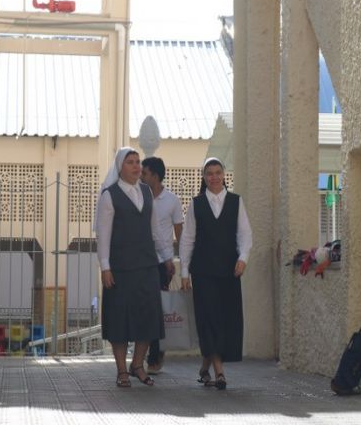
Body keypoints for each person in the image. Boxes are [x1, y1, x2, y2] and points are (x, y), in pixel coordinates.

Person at [95, 147, 170, 387]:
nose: (137, 166)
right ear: (120, 167)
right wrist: (105, 267)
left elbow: (155, 229)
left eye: (138, 162)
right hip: (120, 268)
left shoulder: (146, 192)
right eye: (130, 162)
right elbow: (103, 235)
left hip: (147, 265)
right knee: (120, 319)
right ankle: (121, 370)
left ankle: (137, 365)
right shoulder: (109, 196)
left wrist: (167, 257)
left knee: (148, 317)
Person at [179, 157, 252, 390]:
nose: (214, 177)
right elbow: (187, 239)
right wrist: (184, 271)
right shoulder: (197, 204)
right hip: (203, 271)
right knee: (209, 318)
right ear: (204, 177)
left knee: (226, 319)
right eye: (209, 173)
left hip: (229, 271)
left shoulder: (236, 202)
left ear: (224, 174)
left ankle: (205, 366)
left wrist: (243, 258)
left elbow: (245, 234)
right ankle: (219, 372)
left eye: (217, 172)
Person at [140, 157, 183, 375]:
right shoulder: (138, 197)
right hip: (140, 261)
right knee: (143, 309)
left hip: (162, 264)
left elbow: (180, 233)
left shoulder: (172, 201)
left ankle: (155, 355)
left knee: (158, 309)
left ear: (155, 176)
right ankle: (144, 352)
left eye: (145, 173)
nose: (141, 176)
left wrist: (180, 263)